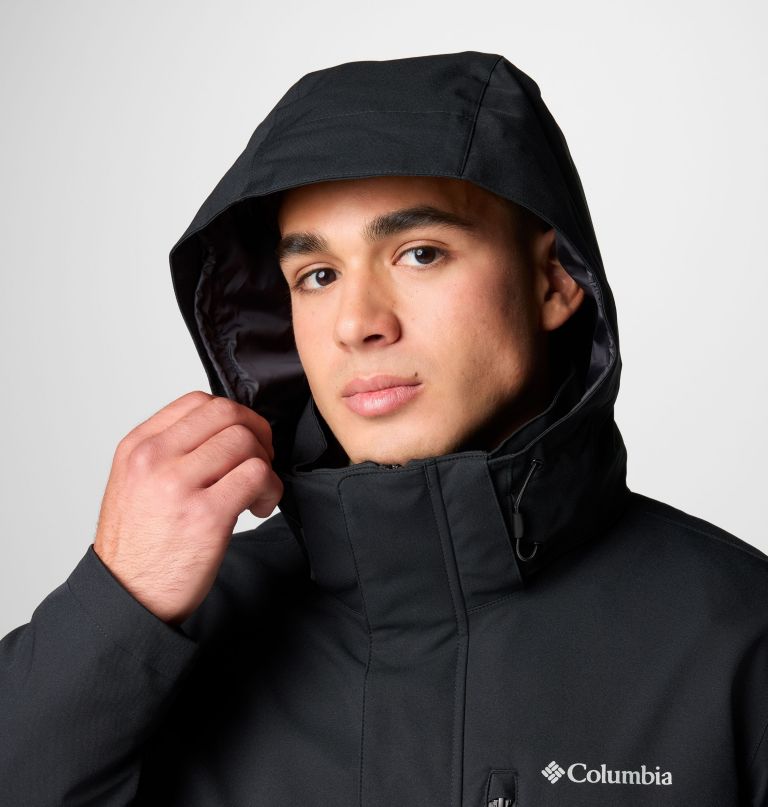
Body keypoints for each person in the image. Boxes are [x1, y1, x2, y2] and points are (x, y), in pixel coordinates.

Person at [1, 49, 766, 807]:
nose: (358, 323)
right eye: (318, 275)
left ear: (554, 278)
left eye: (420, 253)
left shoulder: (738, 636)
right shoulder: (172, 633)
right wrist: (116, 604)